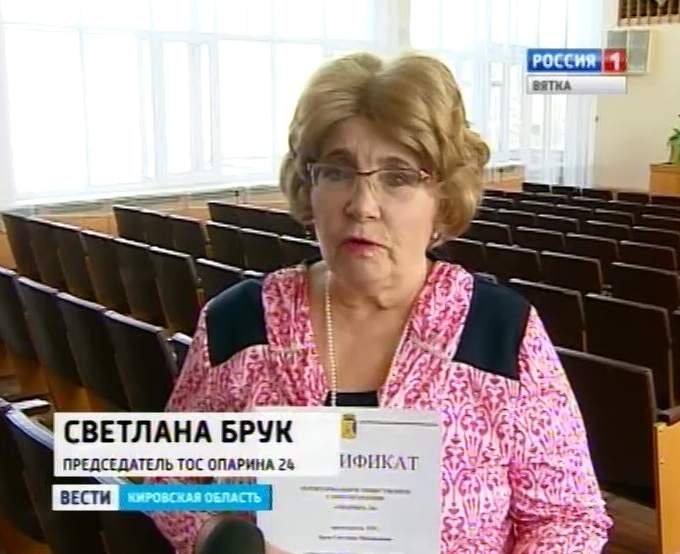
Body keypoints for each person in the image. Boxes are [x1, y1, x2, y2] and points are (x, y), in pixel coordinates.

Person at [150, 51, 612, 553]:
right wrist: (220, 538)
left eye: (398, 176)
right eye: (337, 172)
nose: (362, 205)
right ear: (309, 187)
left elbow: (569, 518)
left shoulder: (502, 333)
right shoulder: (237, 324)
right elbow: (165, 480)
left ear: (443, 198)